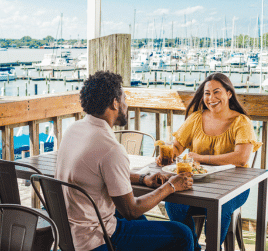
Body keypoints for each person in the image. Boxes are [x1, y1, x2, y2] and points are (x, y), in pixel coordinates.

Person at [56, 71, 195, 251]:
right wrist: (171, 186)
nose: (126, 105)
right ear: (115, 102)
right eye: (125, 98)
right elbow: (131, 210)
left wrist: (142, 178)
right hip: (97, 238)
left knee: (141, 222)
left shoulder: (73, 130)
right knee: (182, 234)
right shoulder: (111, 148)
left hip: (69, 233)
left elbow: (99, 175)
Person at [158, 72, 262, 251]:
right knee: (173, 203)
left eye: (216, 92)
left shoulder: (241, 122)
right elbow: (177, 147)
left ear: (229, 93)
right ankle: (193, 247)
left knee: (220, 208)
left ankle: (212, 248)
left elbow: (241, 157)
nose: (211, 98)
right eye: (207, 93)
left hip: (234, 188)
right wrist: (167, 154)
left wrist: (202, 158)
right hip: (197, 185)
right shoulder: (196, 118)